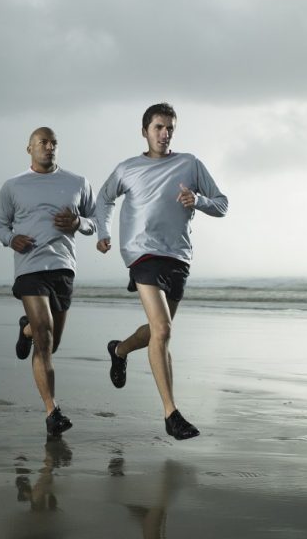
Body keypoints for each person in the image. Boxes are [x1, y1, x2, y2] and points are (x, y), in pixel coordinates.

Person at [95, 103, 228, 440]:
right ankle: (171, 413)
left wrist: (197, 201)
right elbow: (105, 198)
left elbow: (222, 203)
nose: (165, 134)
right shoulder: (128, 168)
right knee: (163, 330)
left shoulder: (189, 163)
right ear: (145, 131)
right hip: (142, 253)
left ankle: (119, 350)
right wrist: (103, 232)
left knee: (159, 331)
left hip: (178, 256)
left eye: (170, 128)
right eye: (158, 127)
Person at [0, 127, 97, 438]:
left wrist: (79, 222)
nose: (49, 147)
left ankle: (25, 329)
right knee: (45, 335)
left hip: (63, 267)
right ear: (29, 148)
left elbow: (96, 221)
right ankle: (52, 411)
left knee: (51, 343)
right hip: (29, 266)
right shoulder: (13, 186)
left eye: (53, 143)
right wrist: (11, 239)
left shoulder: (77, 183)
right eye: (43, 142)